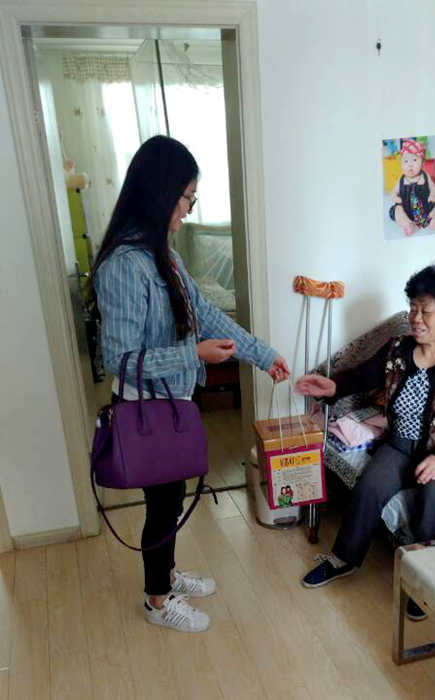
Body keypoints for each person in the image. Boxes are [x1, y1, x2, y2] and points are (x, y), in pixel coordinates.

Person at [92, 135, 289, 633]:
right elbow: (119, 359)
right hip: (146, 410)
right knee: (162, 507)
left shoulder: (165, 255)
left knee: (171, 498)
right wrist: (193, 354)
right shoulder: (123, 266)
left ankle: (168, 574)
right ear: (160, 192)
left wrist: (264, 356)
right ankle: (157, 600)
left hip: (173, 402)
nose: (188, 208)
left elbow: (204, 314)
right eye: (186, 197)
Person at [296, 264, 435, 620]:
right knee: (370, 486)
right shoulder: (398, 350)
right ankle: (344, 558)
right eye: (413, 308)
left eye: (426, 311)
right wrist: (333, 386)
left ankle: (427, 581)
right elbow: (362, 375)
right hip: (403, 445)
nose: (415, 318)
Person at [390, 140, 435, 237]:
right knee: (397, 209)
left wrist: (432, 195)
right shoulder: (402, 180)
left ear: (422, 163)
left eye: (414, 160)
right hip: (406, 210)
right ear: (401, 164)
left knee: (434, 208)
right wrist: (396, 198)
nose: (410, 164)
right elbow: (393, 192)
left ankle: (430, 222)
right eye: (406, 161)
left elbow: (433, 187)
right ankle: (408, 224)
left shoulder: (425, 176)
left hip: (424, 209)